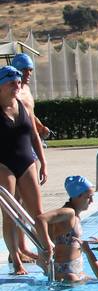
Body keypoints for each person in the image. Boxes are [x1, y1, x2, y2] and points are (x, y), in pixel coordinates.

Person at [0, 65, 45, 274]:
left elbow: (35, 136)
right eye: (12, 83)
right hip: (3, 164)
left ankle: (46, 253)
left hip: (27, 161)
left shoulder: (23, 104)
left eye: (18, 82)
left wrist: (43, 163)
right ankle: (16, 260)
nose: (17, 86)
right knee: (10, 215)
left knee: (38, 214)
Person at [35, 175, 95, 283]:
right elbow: (40, 219)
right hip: (66, 273)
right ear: (77, 196)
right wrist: (47, 245)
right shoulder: (68, 213)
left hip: (76, 271)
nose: (92, 201)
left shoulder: (75, 214)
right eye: (88, 197)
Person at [11, 54, 51, 141]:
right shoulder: (10, 93)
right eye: (25, 70)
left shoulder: (27, 89)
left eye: (30, 70)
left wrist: (41, 127)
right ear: (16, 70)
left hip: (30, 138)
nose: (29, 73)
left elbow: (30, 114)